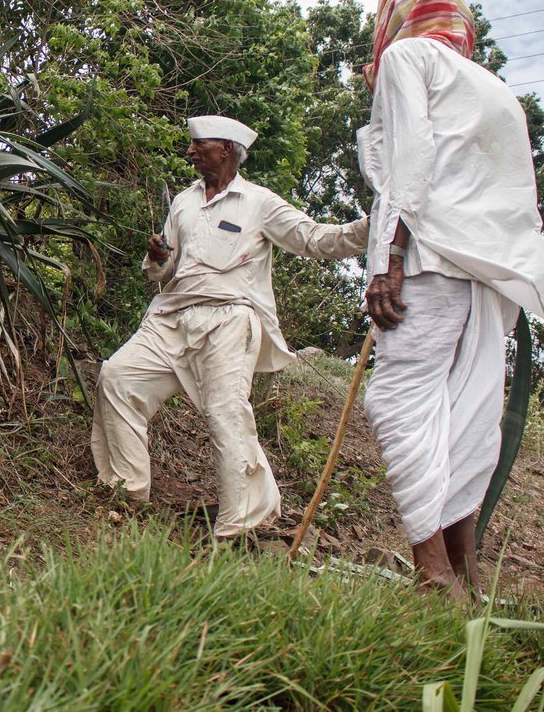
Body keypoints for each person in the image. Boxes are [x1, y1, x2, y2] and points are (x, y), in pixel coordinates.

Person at [356, 0, 544, 597]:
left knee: (400, 403)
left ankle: (433, 574)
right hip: (492, 278)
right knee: (468, 413)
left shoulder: (409, 58)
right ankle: (465, 575)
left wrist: (390, 259)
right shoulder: (495, 88)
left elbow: (411, 159)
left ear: (395, 20)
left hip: (430, 259)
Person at [91, 115, 369, 538]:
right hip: (172, 316)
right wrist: (158, 257)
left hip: (229, 320)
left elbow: (314, 239)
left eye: (198, 146)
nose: (189, 152)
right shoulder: (183, 202)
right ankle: (126, 494)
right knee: (117, 377)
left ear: (225, 149)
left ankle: (239, 526)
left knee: (226, 414)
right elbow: (160, 273)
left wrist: (375, 226)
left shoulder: (259, 202)